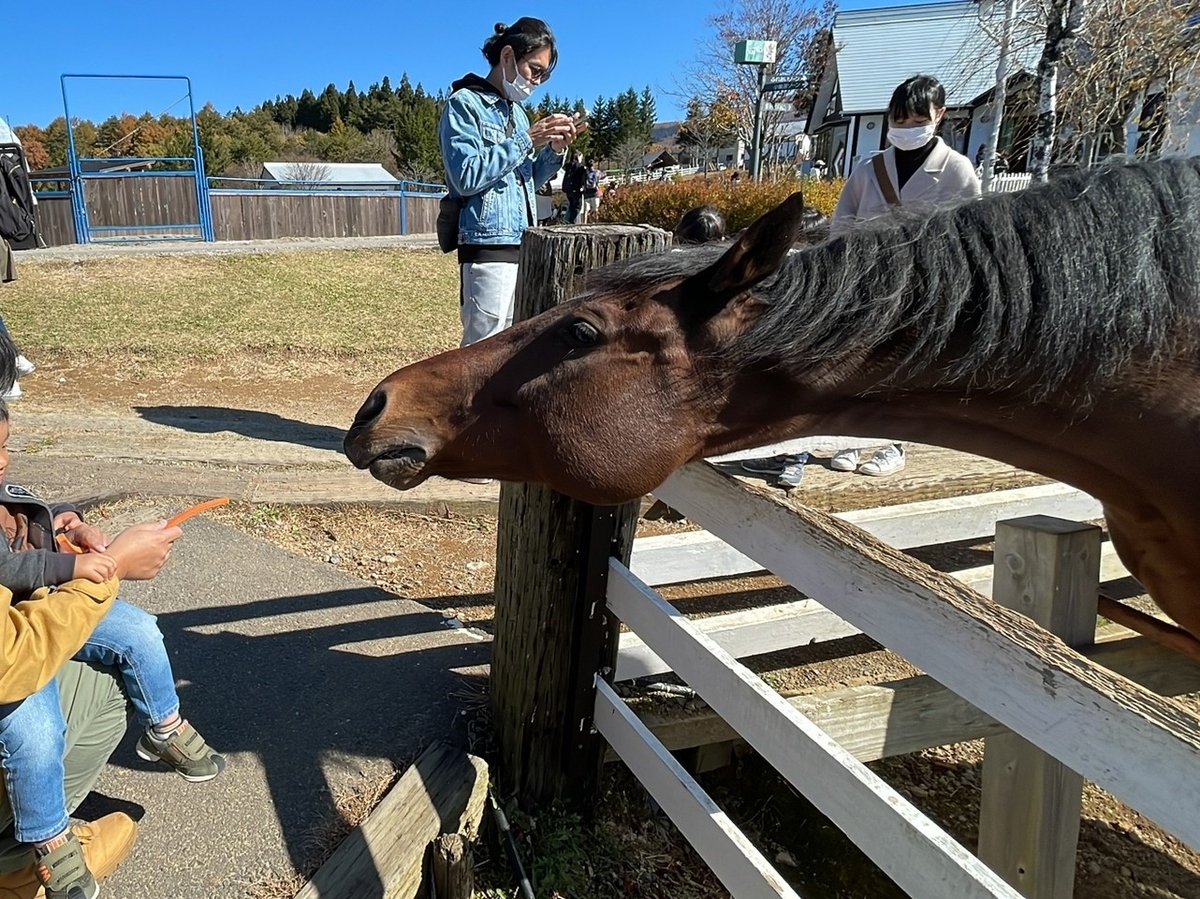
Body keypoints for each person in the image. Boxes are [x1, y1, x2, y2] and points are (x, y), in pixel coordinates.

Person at [0, 403, 215, 899]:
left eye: (5, 446)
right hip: (15, 645)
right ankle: (40, 848)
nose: (3, 461)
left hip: (30, 609)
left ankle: (165, 727)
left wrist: (65, 528)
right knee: (35, 727)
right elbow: (12, 657)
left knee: (138, 631)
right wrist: (105, 565)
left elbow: (22, 523)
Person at [827, 74, 981, 477]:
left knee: (906, 367)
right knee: (857, 362)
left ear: (939, 116)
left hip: (923, 290)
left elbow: (972, 237)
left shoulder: (957, 171)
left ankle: (894, 444)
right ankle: (850, 438)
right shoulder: (869, 169)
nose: (907, 130)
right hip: (866, 285)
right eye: (899, 121)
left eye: (917, 121)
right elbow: (842, 225)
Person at [438, 17, 582, 348]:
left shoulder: (517, 114)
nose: (537, 81)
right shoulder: (464, 104)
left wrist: (554, 150)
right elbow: (465, 177)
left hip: (524, 245)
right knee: (481, 352)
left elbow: (526, 180)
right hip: (487, 246)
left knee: (510, 352)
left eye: (543, 75)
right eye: (534, 69)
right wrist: (527, 139)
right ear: (507, 57)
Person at [562, 150, 586, 224]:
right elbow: (583, 177)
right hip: (576, 189)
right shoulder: (580, 167)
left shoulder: (568, 166)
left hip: (568, 190)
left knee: (571, 206)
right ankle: (572, 222)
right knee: (577, 207)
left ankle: (568, 220)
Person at [581, 159, 603, 224]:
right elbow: (603, 175)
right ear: (593, 165)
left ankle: (584, 224)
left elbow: (582, 182)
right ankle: (596, 223)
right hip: (595, 193)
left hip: (586, 193)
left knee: (586, 210)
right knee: (596, 210)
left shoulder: (585, 173)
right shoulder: (597, 172)